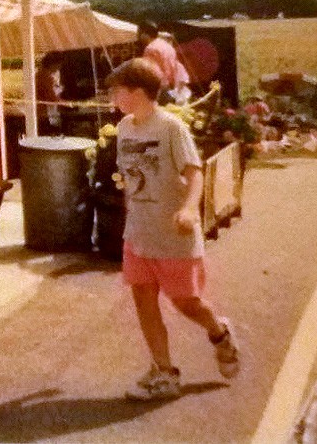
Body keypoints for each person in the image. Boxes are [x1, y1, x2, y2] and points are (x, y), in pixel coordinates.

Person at [104, 58, 240, 401]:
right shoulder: (124, 128)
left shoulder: (170, 128)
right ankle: (164, 371)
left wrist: (188, 207)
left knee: (186, 302)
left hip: (173, 235)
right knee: (143, 301)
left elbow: (194, 171)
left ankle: (219, 332)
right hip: (138, 234)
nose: (112, 96)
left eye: (117, 90)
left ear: (136, 92)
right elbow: (130, 178)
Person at [135, 21, 190, 104]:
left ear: (144, 34)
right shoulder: (167, 45)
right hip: (172, 87)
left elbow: (150, 73)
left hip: (159, 90)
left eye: (139, 33)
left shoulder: (151, 49)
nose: (138, 37)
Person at [34, 51, 65, 134]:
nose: (59, 68)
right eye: (59, 65)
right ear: (54, 64)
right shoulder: (46, 77)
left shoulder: (38, 75)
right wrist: (66, 103)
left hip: (38, 112)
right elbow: (51, 98)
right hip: (43, 114)